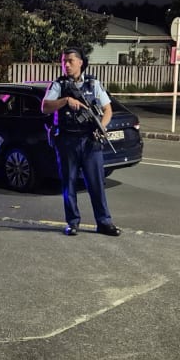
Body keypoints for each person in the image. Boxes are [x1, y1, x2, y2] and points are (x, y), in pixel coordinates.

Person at [40, 47, 121, 237]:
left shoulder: (93, 84)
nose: (66, 64)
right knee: (68, 183)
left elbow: (108, 109)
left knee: (96, 183)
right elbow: (45, 107)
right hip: (67, 140)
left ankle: (104, 222)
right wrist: (65, 100)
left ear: (80, 63)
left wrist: (102, 127)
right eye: (63, 61)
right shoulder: (58, 85)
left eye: (70, 61)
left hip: (90, 140)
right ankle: (73, 222)